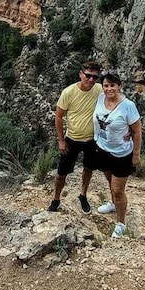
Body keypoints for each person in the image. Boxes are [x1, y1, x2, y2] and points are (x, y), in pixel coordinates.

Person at [48, 60, 103, 214]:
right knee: (61, 173)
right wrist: (61, 140)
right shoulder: (69, 92)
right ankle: (56, 199)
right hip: (71, 139)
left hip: (92, 140)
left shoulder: (99, 90)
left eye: (95, 77)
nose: (91, 80)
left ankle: (83, 195)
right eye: (88, 76)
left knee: (88, 169)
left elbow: (117, 100)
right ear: (81, 74)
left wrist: (129, 128)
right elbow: (58, 117)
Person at [92, 72, 142, 238]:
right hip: (103, 149)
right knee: (109, 181)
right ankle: (113, 204)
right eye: (106, 85)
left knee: (118, 190)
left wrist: (136, 155)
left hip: (122, 154)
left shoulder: (128, 106)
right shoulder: (100, 98)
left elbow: (137, 131)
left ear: (119, 86)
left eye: (112, 85)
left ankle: (121, 224)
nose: (109, 89)